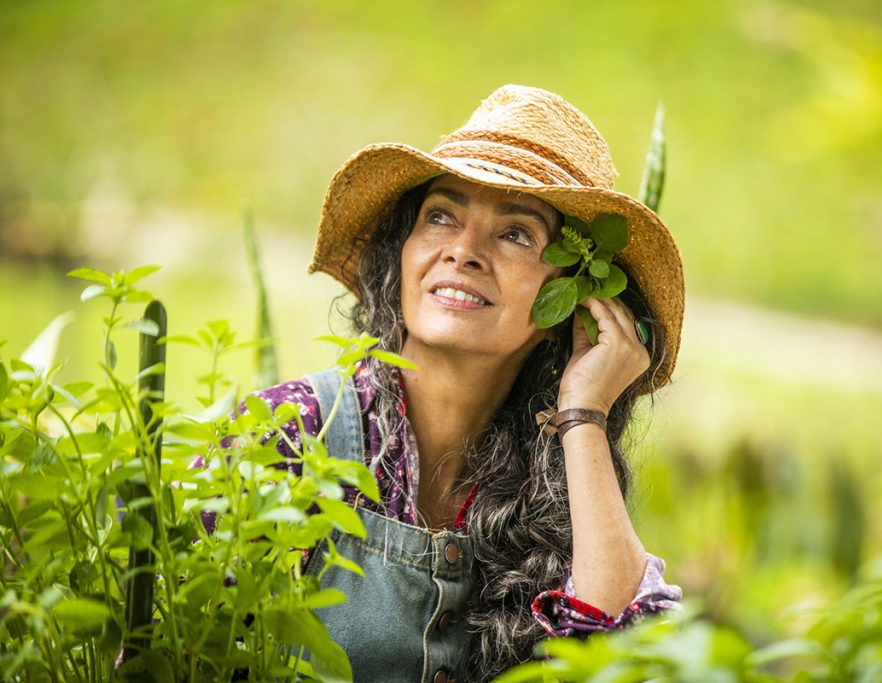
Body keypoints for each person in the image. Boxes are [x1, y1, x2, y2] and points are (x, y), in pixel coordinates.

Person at [237, 85, 684, 682]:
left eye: (515, 233)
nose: (463, 252)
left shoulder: (555, 488)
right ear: (402, 251)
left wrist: (583, 413)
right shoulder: (290, 433)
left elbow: (618, 657)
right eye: (440, 216)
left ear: (570, 301)